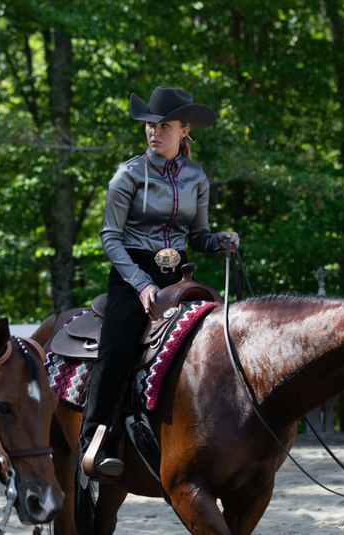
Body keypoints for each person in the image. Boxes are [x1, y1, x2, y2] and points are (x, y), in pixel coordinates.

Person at [79, 86, 241, 479]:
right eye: (150, 125)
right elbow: (109, 237)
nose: (154, 132)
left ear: (184, 130)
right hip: (130, 272)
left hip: (178, 274)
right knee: (117, 348)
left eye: (164, 125)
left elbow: (197, 235)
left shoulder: (197, 177)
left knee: (218, 340)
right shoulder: (128, 174)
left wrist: (218, 240)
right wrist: (139, 283)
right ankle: (94, 442)